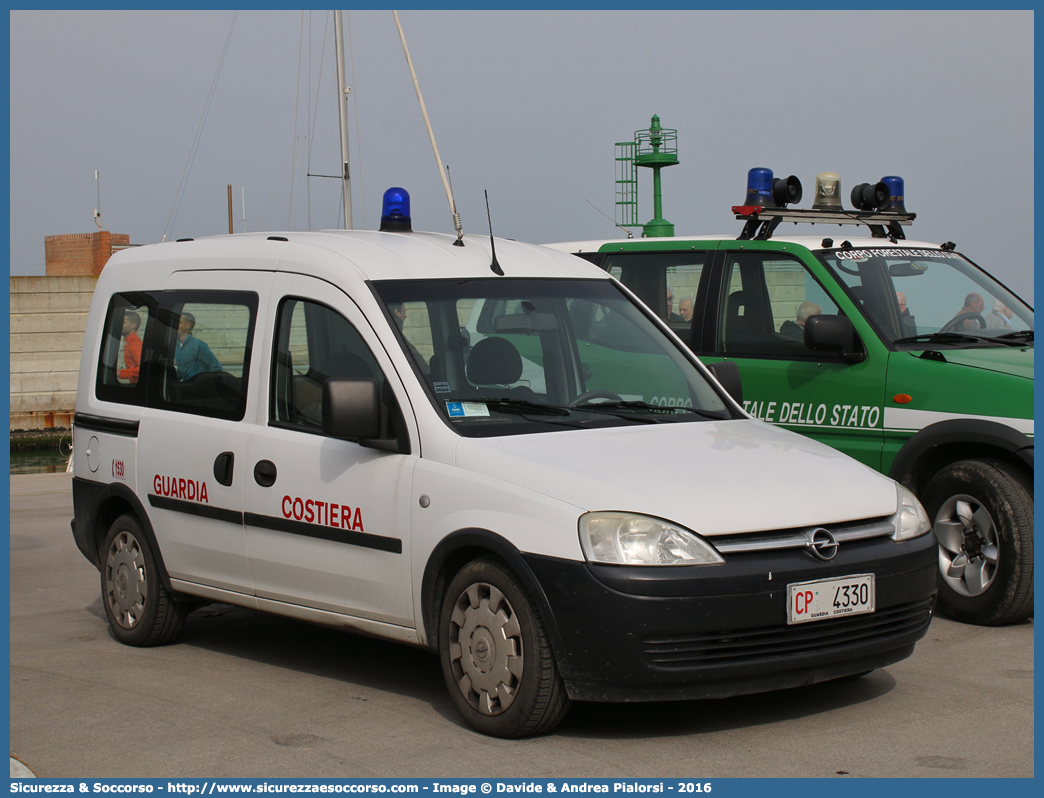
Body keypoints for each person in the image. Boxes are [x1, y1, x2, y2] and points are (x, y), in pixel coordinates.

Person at [174, 312, 222, 381]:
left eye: (179, 323)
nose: (175, 325)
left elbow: (216, 366)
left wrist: (206, 382)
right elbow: (182, 368)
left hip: (197, 387)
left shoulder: (198, 345)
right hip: (184, 386)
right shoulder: (175, 345)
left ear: (188, 325)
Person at [389, 302, 431, 375]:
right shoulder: (394, 335)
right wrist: (427, 373)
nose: (405, 316)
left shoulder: (392, 331)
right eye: (403, 312)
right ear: (396, 312)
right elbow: (415, 358)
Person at [118, 311, 142, 384]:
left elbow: (142, 369)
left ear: (133, 325)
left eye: (124, 322)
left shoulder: (134, 343)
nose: (120, 325)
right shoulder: (129, 342)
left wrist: (120, 373)